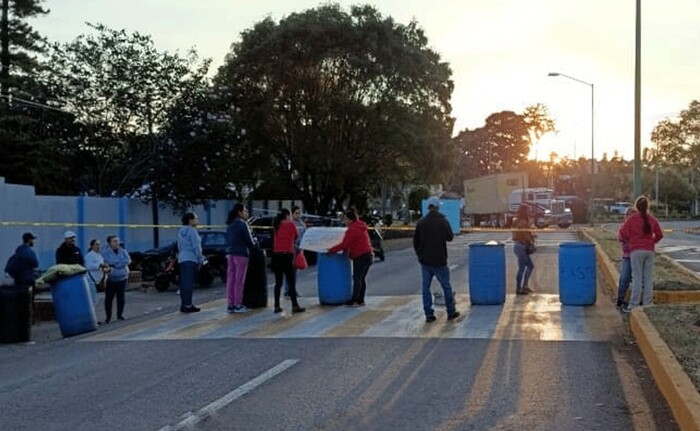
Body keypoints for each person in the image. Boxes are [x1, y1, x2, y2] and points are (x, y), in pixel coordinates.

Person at [413, 197, 460, 322]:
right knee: (446, 286)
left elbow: (415, 241)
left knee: (425, 287)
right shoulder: (443, 221)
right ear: (438, 207)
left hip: (425, 261)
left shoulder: (421, 222)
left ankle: (429, 314)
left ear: (428, 207)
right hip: (440, 260)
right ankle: (451, 312)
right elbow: (450, 237)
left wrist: (420, 255)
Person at [619, 196, 663, 313]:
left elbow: (622, 233)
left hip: (636, 250)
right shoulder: (651, 219)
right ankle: (648, 303)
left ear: (636, 207)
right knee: (648, 278)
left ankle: (633, 305)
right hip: (649, 250)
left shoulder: (632, 219)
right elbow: (659, 234)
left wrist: (631, 241)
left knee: (637, 278)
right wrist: (651, 242)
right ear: (647, 206)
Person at [328, 208, 374, 307]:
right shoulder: (361, 226)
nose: (345, 222)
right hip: (368, 254)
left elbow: (344, 244)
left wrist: (331, 250)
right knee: (362, 279)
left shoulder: (352, 229)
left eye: (346, 219)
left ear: (350, 220)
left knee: (357, 279)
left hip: (360, 256)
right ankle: (361, 300)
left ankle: (354, 300)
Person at [271, 208, 305, 314]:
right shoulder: (290, 224)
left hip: (276, 256)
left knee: (278, 282)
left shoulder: (276, 225)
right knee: (291, 281)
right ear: (287, 215)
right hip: (287, 255)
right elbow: (296, 236)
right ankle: (295, 306)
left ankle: (276, 305)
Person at [225, 203, 255, 313]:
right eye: (245, 211)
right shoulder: (243, 224)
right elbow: (250, 241)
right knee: (239, 280)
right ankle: (238, 304)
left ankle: (230, 304)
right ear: (240, 212)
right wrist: (254, 245)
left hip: (230, 253)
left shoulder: (230, 224)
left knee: (231, 280)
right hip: (241, 254)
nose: (247, 213)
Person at [177, 212, 207, 314]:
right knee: (189, 283)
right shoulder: (192, 231)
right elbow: (196, 247)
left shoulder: (181, 231)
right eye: (196, 218)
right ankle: (188, 306)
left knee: (184, 283)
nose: (197, 220)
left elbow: (179, 246)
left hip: (182, 259)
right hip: (191, 259)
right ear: (190, 220)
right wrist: (201, 259)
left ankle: (184, 304)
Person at [101, 235, 131, 323]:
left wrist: (115, 264)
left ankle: (120, 315)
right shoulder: (105, 252)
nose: (117, 243)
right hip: (111, 279)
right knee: (109, 298)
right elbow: (107, 262)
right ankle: (108, 317)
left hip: (122, 278)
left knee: (121, 298)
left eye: (117, 241)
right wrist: (119, 263)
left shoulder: (123, 251)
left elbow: (127, 261)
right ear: (109, 243)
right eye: (114, 241)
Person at [616, 207, 637, 309]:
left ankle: (636, 301)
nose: (627, 218)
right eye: (626, 216)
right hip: (627, 256)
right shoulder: (623, 227)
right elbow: (620, 237)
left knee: (638, 279)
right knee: (624, 278)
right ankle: (620, 300)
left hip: (637, 256)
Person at [512, 203, 535, 295]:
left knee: (529, 266)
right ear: (525, 211)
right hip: (522, 246)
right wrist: (531, 239)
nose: (529, 211)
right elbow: (526, 236)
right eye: (528, 210)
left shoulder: (516, 220)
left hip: (517, 246)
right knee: (522, 268)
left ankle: (524, 286)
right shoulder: (523, 222)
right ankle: (519, 288)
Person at [284, 206, 306, 299]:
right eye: (296, 213)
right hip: (291, 249)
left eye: (299, 213)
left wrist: (302, 248)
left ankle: (293, 290)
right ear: (292, 214)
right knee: (289, 271)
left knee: (296, 271)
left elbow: (304, 237)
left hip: (299, 249)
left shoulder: (302, 224)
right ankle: (287, 291)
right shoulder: (290, 223)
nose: (298, 215)